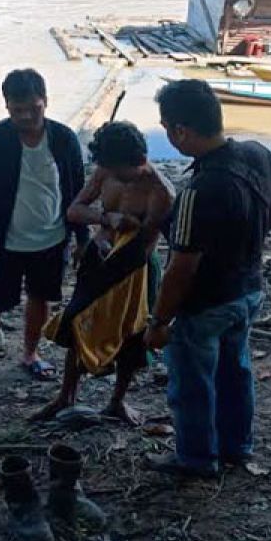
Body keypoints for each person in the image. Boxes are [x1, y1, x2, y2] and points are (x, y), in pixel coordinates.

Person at [143, 79, 271, 478]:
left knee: (192, 383)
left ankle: (196, 459)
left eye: (166, 128)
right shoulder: (258, 154)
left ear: (181, 131)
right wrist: (243, 240)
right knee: (235, 371)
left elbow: (181, 267)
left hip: (206, 303)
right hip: (248, 289)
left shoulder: (197, 190)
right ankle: (236, 447)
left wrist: (159, 321)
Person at [31, 121, 173, 425]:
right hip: (99, 256)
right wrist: (106, 218)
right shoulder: (106, 171)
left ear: (138, 160)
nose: (114, 175)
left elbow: (145, 245)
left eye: (121, 171)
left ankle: (117, 400)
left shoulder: (160, 192)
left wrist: (125, 234)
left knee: (132, 334)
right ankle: (66, 395)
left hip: (135, 269)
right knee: (76, 321)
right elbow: (74, 210)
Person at [0, 69, 88, 390]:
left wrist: (82, 238)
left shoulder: (64, 139)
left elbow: (78, 190)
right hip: (2, 243)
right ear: (6, 105)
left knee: (40, 299)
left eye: (34, 108)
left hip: (52, 238)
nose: (26, 116)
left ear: (45, 101)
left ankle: (31, 353)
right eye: (17, 110)